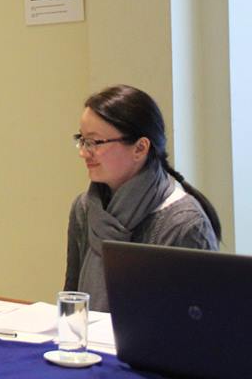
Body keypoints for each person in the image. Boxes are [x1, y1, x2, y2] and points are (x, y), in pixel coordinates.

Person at [64, 84, 220, 311]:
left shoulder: (185, 224)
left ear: (140, 148)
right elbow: (72, 303)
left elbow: (203, 320)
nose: (83, 152)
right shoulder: (84, 208)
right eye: (82, 139)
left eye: (95, 142)